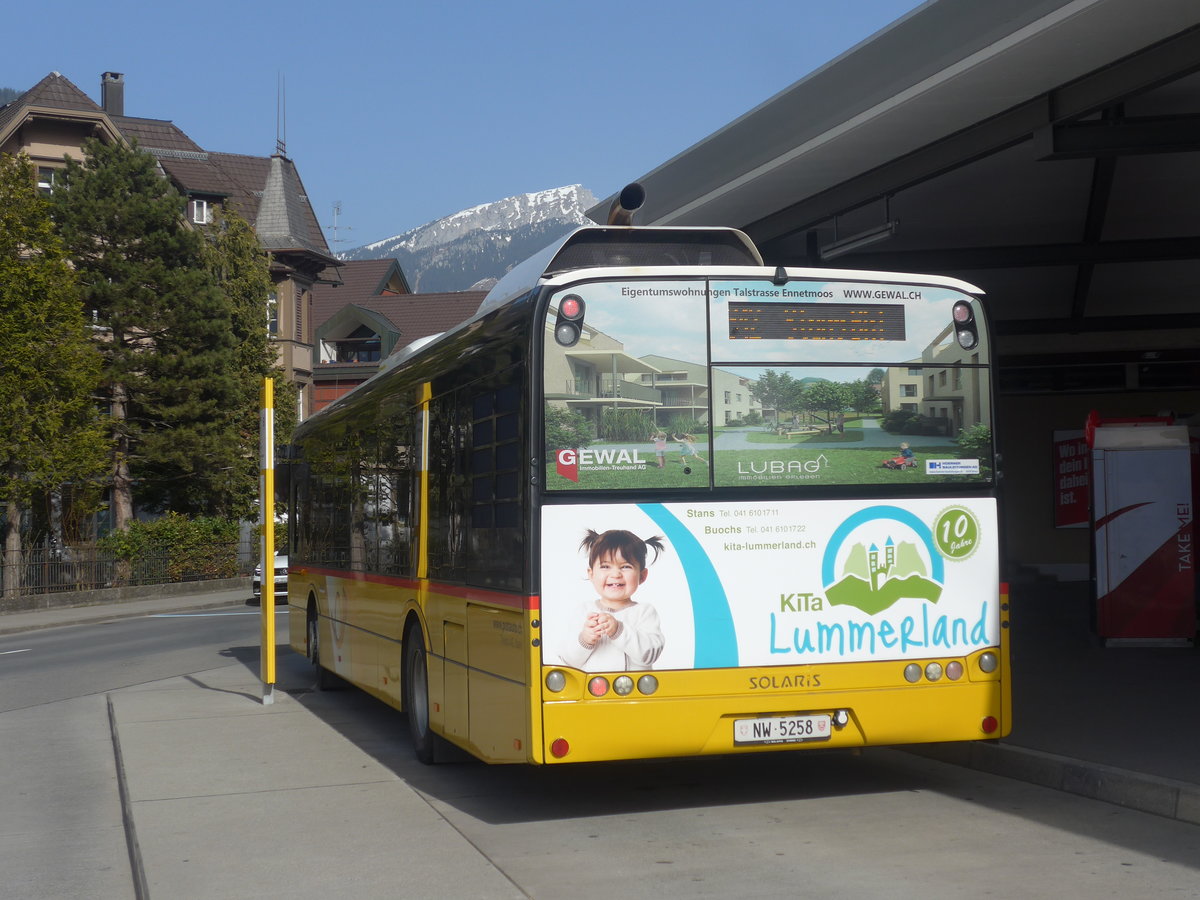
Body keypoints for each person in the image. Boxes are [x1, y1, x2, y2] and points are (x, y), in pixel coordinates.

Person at [558, 529, 666, 672]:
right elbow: (568, 661)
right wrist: (585, 639)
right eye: (605, 566)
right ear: (591, 574)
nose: (615, 574)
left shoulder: (645, 612)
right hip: (594, 691)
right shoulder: (584, 612)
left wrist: (618, 630)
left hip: (635, 691)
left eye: (626, 566)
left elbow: (649, 655)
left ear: (642, 576)